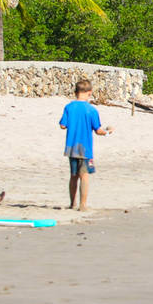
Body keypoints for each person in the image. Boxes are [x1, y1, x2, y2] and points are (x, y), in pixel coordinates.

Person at [59, 79, 113, 211]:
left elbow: (62, 125)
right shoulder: (91, 110)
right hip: (85, 148)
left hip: (71, 146)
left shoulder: (69, 107)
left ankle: (72, 203)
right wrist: (108, 132)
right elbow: (98, 130)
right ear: (89, 93)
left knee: (73, 176)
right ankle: (82, 205)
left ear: (75, 92)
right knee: (84, 176)